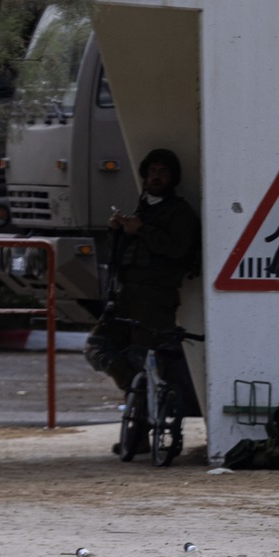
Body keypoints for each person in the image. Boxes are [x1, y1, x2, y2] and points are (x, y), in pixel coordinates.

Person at [85, 149, 202, 443]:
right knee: (98, 347)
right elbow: (121, 257)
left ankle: (139, 431)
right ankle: (136, 390)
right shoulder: (141, 208)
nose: (155, 177)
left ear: (172, 177)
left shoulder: (180, 213)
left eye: (162, 172)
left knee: (142, 358)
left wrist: (142, 230)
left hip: (156, 300)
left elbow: (177, 250)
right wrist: (117, 231)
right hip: (126, 296)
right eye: (151, 172)